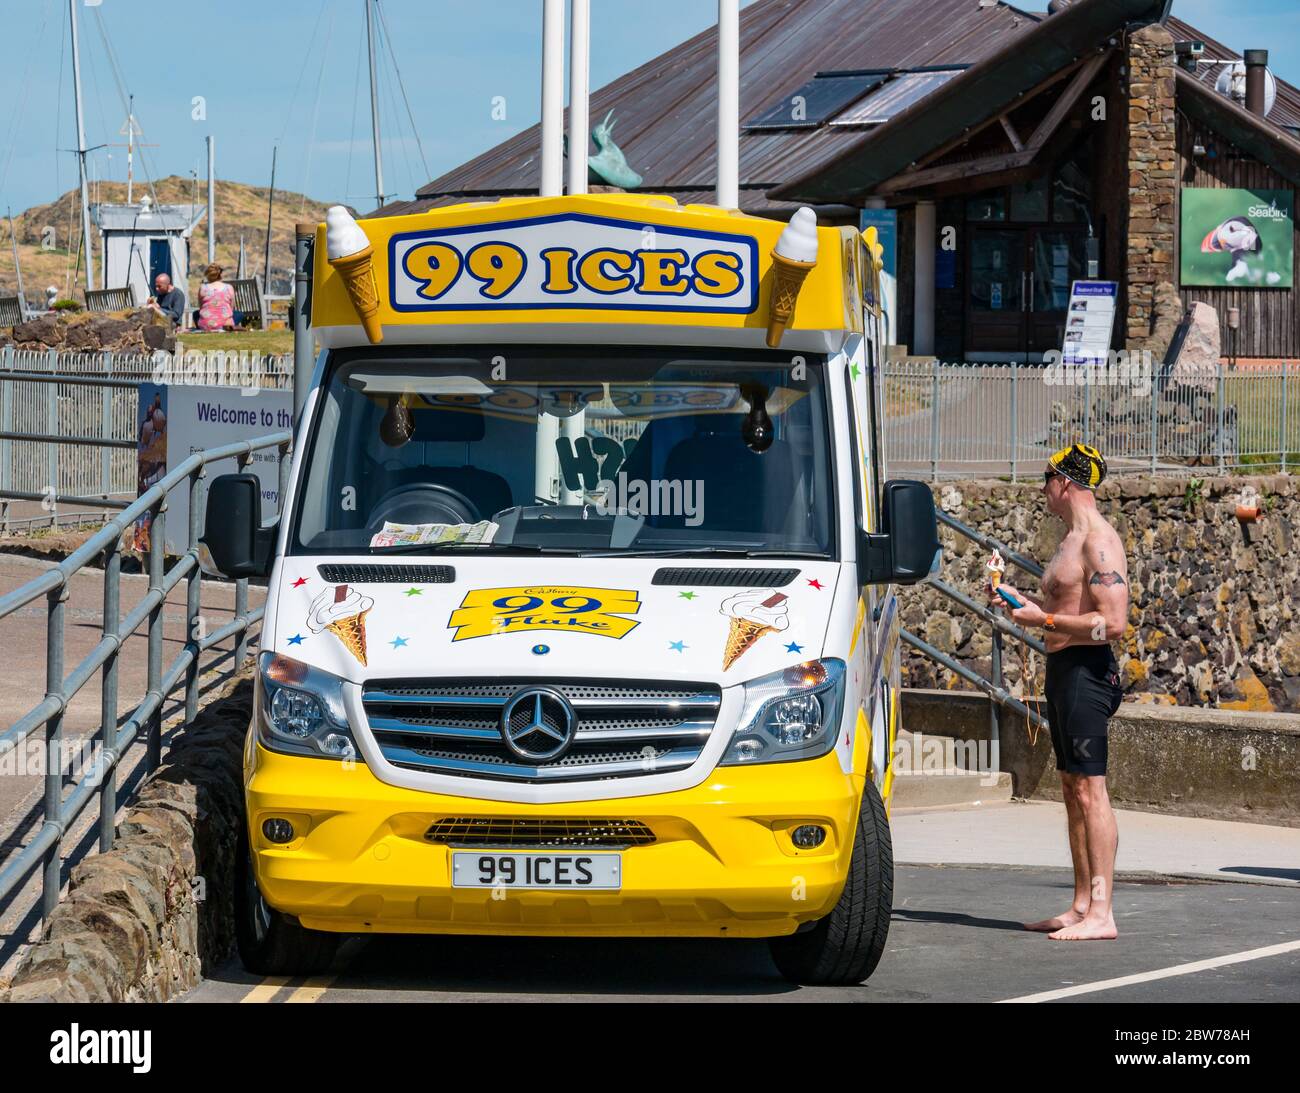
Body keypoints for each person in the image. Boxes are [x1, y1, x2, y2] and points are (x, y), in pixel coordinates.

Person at [992, 443, 1127, 942]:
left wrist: (1043, 618)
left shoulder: (1098, 542)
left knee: (1092, 789)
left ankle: (1103, 912)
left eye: (1047, 479)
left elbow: (1112, 623)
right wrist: (1023, 603)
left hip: (1088, 673)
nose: (1043, 489)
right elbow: (1064, 605)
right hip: (1064, 670)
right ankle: (1080, 904)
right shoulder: (1070, 539)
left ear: (1065, 483)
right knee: (1072, 788)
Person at [196, 264, 237, 331]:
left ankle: (205, 325)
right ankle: (227, 326)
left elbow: (201, 308)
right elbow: (231, 307)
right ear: (220, 274)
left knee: (196, 314)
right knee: (239, 314)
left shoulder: (203, 288)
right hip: (225, 324)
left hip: (206, 324)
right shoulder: (229, 287)